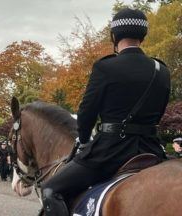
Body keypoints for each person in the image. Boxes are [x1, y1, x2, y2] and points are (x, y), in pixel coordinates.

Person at [41, 8, 171, 216]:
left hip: (111, 152)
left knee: (50, 190)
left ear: (114, 36)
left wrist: (84, 140)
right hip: (151, 150)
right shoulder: (161, 70)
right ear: (143, 36)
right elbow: (160, 111)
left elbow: (86, 112)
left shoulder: (106, 68)